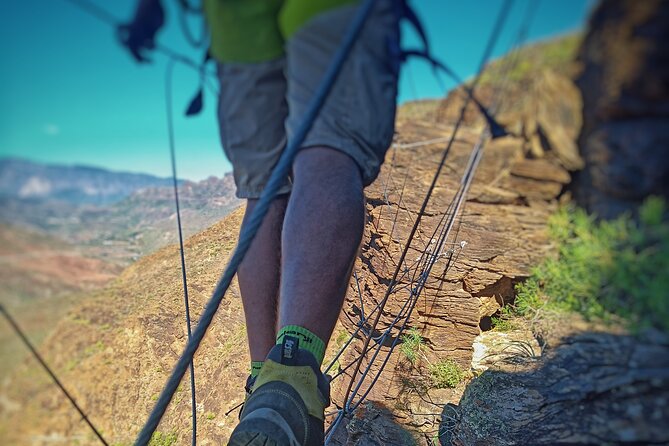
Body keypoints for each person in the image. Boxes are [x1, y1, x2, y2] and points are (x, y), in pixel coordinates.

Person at [121, 1, 400, 444]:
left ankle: (262, 382)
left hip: (233, 20)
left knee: (262, 190)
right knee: (328, 151)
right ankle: (292, 378)